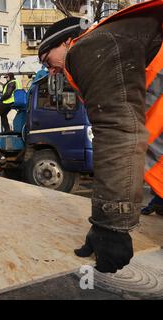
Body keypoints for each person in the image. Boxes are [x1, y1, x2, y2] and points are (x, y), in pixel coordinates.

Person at [38, 0, 162, 273]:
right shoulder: (114, 41)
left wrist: (110, 226)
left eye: (48, 60)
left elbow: (118, 132)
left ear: (69, 41)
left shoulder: (91, 47)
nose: (50, 71)